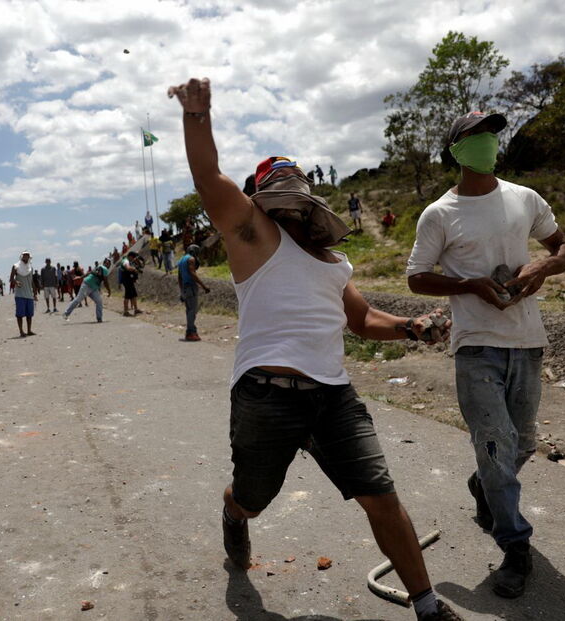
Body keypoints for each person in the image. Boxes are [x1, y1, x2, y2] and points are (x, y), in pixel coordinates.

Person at [168, 77, 458, 621]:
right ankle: (234, 513)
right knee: (253, 499)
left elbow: (364, 319)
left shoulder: (332, 263)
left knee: (381, 495)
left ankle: (427, 606)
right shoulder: (251, 234)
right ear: (266, 200)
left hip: (333, 399)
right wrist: (197, 116)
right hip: (265, 398)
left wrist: (412, 328)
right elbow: (207, 177)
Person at [407, 111, 565, 600]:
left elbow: (564, 248)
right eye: (475, 135)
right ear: (456, 149)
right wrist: (470, 286)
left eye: (491, 134)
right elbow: (417, 276)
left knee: (520, 446)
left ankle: (484, 488)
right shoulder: (440, 213)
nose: (487, 142)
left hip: (527, 341)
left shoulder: (525, 198)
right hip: (476, 345)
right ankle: (515, 547)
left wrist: (543, 265)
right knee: (498, 446)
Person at [63, 258, 112, 322]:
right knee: (78, 299)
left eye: (109, 264)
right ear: (105, 263)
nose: (108, 265)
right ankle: (66, 313)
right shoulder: (104, 269)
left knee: (99, 301)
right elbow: (106, 281)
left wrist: (81, 277)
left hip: (93, 287)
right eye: (108, 263)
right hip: (87, 285)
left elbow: (90, 272)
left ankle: (99, 318)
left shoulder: (98, 267)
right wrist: (109, 290)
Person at [176, 244, 209, 340]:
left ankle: (190, 332)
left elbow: (179, 277)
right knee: (192, 311)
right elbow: (192, 273)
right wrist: (204, 286)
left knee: (189, 310)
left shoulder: (181, 260)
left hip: (185, 288)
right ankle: (191, 332)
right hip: (191, 287)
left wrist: (182, 290)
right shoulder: (191, 259)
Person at [9, 251, 38, 337]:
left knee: (29, 314)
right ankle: (21, 331)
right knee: (20, 314)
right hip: (20, 294)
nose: (26, 257)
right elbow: (11, 278)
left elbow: (31, 280)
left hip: (29, 294)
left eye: (27, 255)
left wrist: (35, 291)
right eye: (25, 255)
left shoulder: (30, 267)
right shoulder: (16, 266)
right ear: (21, 256)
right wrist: (16, 282)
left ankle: (29, 330)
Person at [120, 251, 143, 317]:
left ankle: (136, 309)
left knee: (134, 295)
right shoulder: (126, 261)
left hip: (129, 280)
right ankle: (126, 311)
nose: (133, 259)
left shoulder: (128, 261)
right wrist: (135, 269)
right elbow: (128, 268)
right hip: (127, 280)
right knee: (127, 295)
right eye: (133, 258)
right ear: (130, 256)